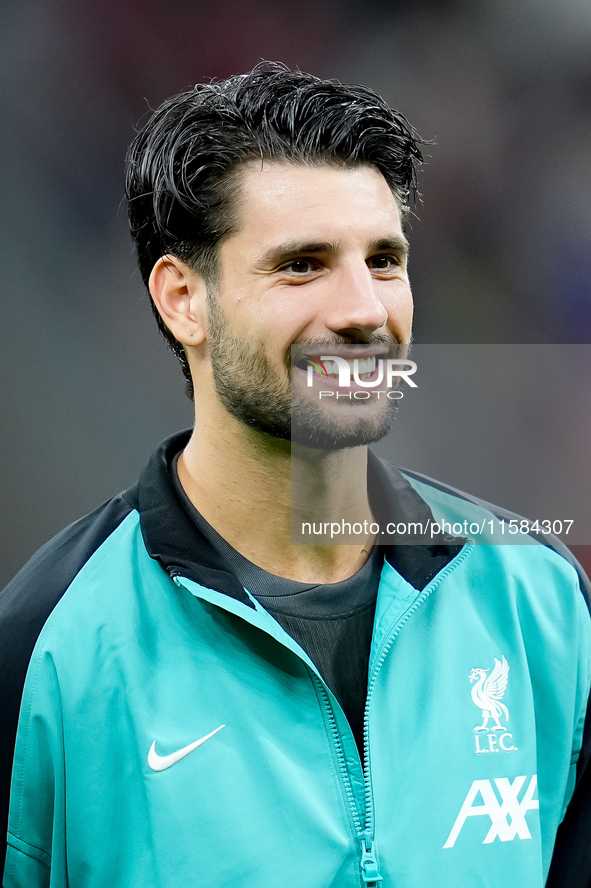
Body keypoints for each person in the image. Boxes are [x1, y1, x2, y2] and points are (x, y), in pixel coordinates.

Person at [1, 65, 590, 888]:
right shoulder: (46, 651)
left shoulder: (538, 603)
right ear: (182, 300)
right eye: (302, 265)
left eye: (383, 261)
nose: (362, 309)